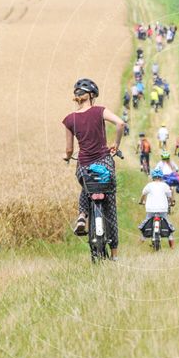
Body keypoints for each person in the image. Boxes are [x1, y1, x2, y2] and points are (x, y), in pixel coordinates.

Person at [63, 78, 125, 260]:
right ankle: (114, 254)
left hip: (84, 165)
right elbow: (120, 124)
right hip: (104, 162)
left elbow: (69, 149)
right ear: (91, 96)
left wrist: (67, 157)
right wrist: (116, 143)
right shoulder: (100, 111)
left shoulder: (69, 120)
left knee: (86, 187)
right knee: (110, 204)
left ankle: (82, 215)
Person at [138, 168, 176, 249]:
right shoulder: (165, 185)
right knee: (168, 226)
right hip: (163, 209)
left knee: (145, 225)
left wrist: (141, 201)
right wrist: (172, 202)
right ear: (161, 177)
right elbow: (170, 197)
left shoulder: (149, 185)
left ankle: (139, 244)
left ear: (153, 177)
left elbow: (143, 194)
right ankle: (172, 246)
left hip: (150, 209)